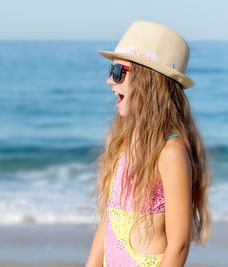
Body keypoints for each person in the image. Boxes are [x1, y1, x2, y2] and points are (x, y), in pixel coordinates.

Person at [85, 21, 211, 267]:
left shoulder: (170, 152)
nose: (110, 81)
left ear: (148, 81)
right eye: (111, 70)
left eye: (119, 71)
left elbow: (179, 244)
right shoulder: (120, 140)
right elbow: (110, 216)